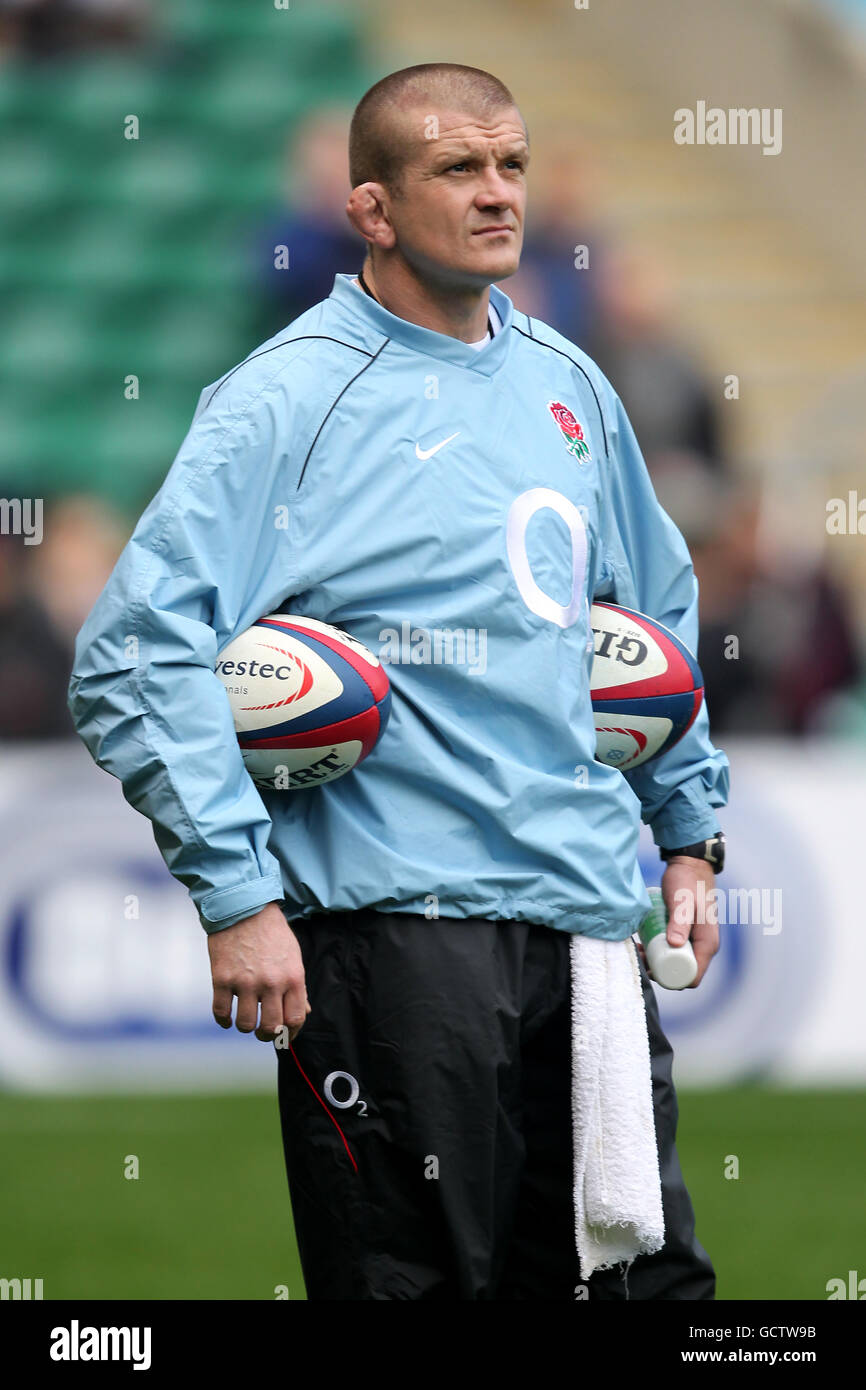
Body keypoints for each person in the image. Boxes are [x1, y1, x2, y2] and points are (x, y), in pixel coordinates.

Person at [68, 63, 729, 1301]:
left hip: (585, 931)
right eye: (457, 169)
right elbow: (132, 652)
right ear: (369, 208)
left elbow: (651, 624)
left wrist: (688, 834)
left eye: (512, 166)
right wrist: (234, 892)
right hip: (391, 944)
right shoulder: (285, 399)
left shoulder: (571, 383)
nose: (497, 195)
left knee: (641, 1295)